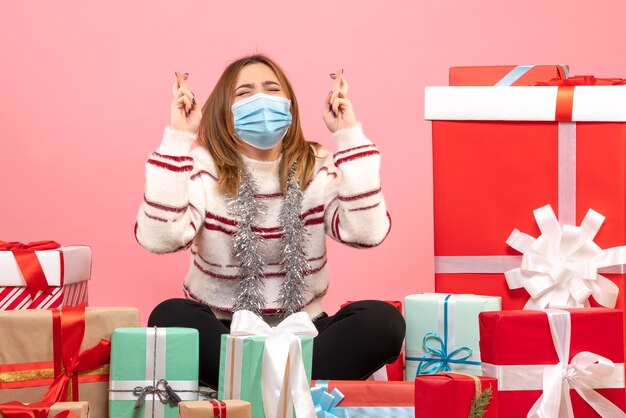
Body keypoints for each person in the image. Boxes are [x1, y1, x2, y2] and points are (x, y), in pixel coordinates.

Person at [135, 54, 405, 388]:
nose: (260, 100)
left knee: (384, 321)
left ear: (289, 105)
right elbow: (159, 236)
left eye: (271, 89)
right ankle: (289, 385)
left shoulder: (316, 164)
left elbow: (367, 231)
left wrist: (348, 134)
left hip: (305, 330)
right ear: (224, 109)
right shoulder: (202, 166)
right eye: (245, 93)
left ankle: (250, 383)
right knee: (170, 317)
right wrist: (177, 138)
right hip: (225, 331)